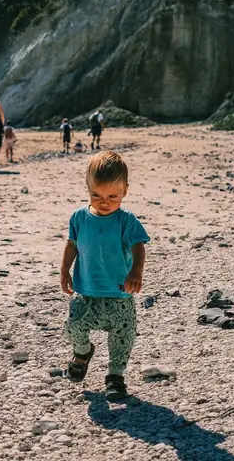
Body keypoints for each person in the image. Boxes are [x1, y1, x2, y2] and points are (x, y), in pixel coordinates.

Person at [59, 151, 149, 401]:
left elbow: (138, 246)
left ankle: (115, 377)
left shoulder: (126, 220)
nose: (104, 202)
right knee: (74, 326)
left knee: (122, 336)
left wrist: (136, 271)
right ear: (88, 188)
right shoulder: (79, 217)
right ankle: (82, 353)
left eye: (112, 196)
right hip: (86, 292)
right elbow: (72, 245)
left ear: (125, 191)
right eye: (96, 195)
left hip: (119, 293)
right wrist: (64, 270)